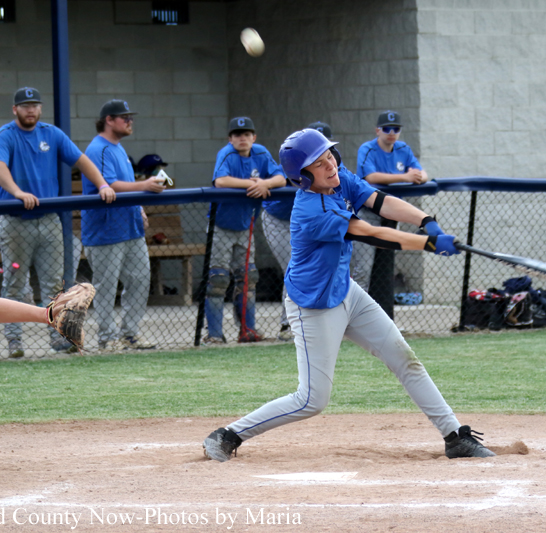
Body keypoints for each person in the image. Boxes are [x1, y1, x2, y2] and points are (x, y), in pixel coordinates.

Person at [202, 128, 494, 462]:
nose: (330, 165)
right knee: (312, 399)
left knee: (405, 358)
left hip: (346, 291)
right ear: (303, 176)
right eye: (319, 162)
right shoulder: (312, 210)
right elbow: (369, 232)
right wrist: (428, 244)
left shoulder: (340, 180)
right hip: (313, 305)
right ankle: (228, 434)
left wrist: (427, 221)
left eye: (329, 156)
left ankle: (454, 436)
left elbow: (380, 202)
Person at [0, 87, 116, 358]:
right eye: (24, 106)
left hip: (49, 220)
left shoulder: (52, 133)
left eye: (35, 105)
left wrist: (102, 183)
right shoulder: (5, 135)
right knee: (15, 282)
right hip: (16, 221)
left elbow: (82, 160)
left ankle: (58, 338)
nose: (30, 110)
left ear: (40, 108)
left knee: (54, 283)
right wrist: (18, 192)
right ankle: (14, 342)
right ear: (15, 110)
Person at [82, 100, 163, 352]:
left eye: (130, 117)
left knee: (140, 279)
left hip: (130, 228)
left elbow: (124, 184)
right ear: (109, 120)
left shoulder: (118, 149)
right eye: (124, 117)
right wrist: (145, 185)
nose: (130, 122)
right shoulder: (99, 149)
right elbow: (108, 184)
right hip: (106, 230)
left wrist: (139, 207)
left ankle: (130, 334)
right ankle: (107, 337)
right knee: (106, 285)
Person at [204, 116, 286, 344]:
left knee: (248, 277)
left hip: (246, 225)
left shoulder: (260, 153)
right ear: (230, 139)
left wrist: (266, 184)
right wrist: (253, 184)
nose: (243, 138)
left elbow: (281, 178)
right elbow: (220, 181)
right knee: (218, 279)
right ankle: (214, 334)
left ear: (254, 137)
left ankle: (247, 330)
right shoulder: (227, 154)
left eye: (247, 134)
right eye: (238, 135)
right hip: (220, 225)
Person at [261, 121, 336, 342]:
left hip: (305, 223)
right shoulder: (295, 161)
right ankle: (288, 325)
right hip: (279, 218)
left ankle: (317, 322)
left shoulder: (333, 166)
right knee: (295, 268)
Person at [351, 110, 429, 292]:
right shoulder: (367, 148)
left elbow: (422, 174)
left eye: (396, 129)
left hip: (390, 215)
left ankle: (377, 313)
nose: (392, 133)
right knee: (363, 268)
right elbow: (370, 177)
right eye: (387, 129)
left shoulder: (403, 149)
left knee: (384, 269)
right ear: (377, 130)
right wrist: (405, 176)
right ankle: (353, 313)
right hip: (366, 213)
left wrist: (417, 177)